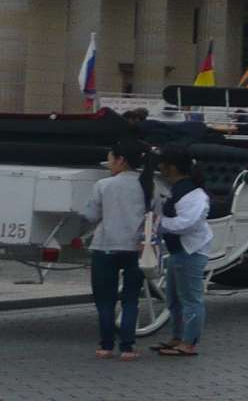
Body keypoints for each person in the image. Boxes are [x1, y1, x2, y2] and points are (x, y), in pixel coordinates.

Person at [80, 139, 152, 360]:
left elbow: (91, 216)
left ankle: (106, 346)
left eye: (110, 158)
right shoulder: (149, 185)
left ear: (121, 160)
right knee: (130, 300)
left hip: (105, 246)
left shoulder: (103, 185)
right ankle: (128, 348)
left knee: (105, 301)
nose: (108, 163)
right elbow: (156, 216)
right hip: (136, 249)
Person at [153, 144, 212, 356]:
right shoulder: (176, 189)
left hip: (191, 251)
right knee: (174, 299)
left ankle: (189, 342)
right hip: (178, 251)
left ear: (172, 167)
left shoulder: (194, 194)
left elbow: (187, 223)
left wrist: (158, 224)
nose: (159, 167)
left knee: (190, 299)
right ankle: (177, 337)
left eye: (163, 164)